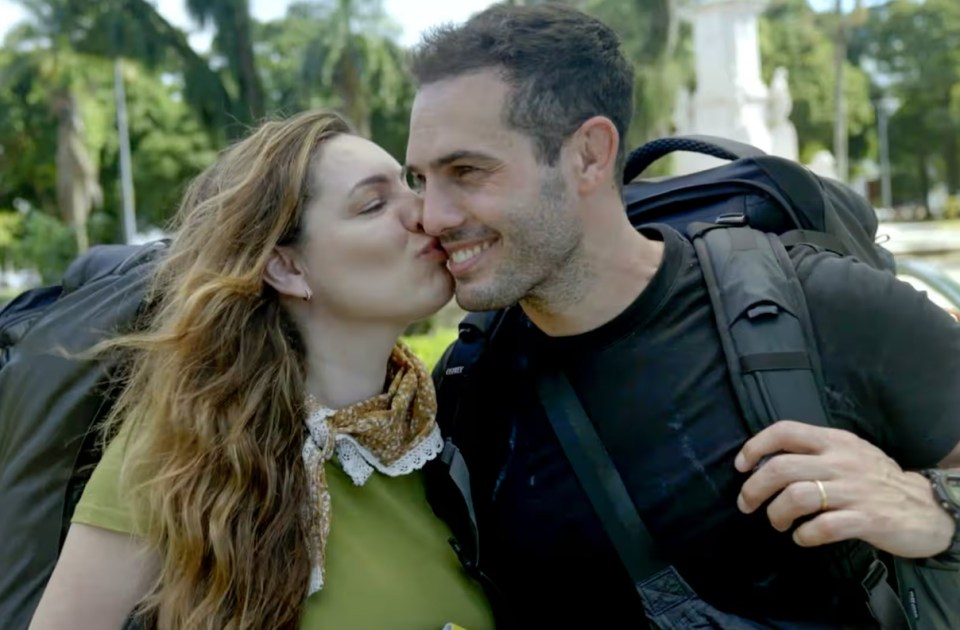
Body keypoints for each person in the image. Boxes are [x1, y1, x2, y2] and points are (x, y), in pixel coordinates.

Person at [403, 3, 960, 628]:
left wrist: (935, 509)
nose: (432, 216)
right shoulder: (466, 387)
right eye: (420, 178)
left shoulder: (817, 308)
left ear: (588, 155)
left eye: (467, 171)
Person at [28, 110, 495, 630]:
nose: (426, 213)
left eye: (411, 186)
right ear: (287, 268)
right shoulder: (182, 449)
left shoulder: (446, 425)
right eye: (373, 204)